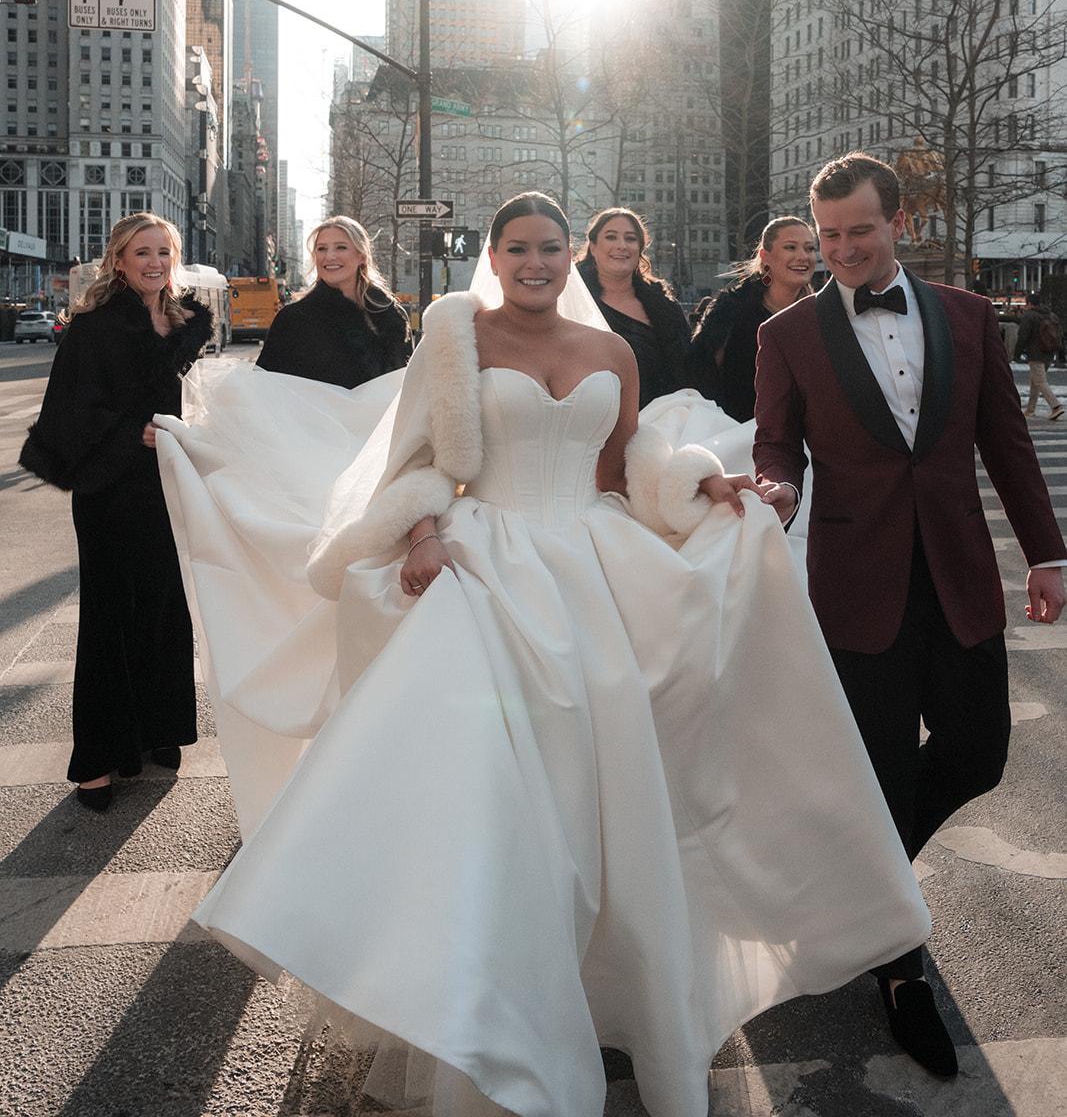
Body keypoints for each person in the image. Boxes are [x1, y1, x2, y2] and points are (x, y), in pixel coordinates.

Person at [164, 190, 929, 1117]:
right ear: (493, 254)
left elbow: (624, 466)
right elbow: (416, 463)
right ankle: (502, 1012)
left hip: (591, 566)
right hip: (483, 569)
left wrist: (694, 484)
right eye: (519, 248)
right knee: (501, 798)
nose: (537, 263)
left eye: (551, 249)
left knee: (607, 790)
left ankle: (606, 987)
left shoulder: (610, 351)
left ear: (571, 257)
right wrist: (419, 535)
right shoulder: (454, 337)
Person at [753, 153, 1066, 1080]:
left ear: (898, 226)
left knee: (979, 750)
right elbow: (777, 438)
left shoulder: (967, 316)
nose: (841, 250)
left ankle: (855, 874)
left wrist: (1047, 553)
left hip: (961, 573)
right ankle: (899, 971)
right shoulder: (787, 335)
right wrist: (777, 485)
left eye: (858, 231)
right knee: (884, 770)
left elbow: (1005, 442)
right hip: (856, 583)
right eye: (827, 235)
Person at [19, 213, 213, 810]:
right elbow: (73, 413)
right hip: (110, 490)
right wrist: (139, 435)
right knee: (110, 617)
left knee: (163, 607)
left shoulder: (184, 324)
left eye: (163, 252)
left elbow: (197, 403)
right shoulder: (94, 327)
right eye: (141, 252)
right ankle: (97, 761)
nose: (154, 262)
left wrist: (189, 434)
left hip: (167, 485)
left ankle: (160, 728)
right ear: (120, 261)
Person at [257, 216, 411, 388]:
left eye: (340, 247)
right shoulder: (292, 319)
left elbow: (407, 391)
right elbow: (265, 388)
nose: (329, 256)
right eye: (321, 248)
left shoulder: (392, 318)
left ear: (361, 256)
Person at [690, 216, 816, 422]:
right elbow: (702, 376)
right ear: (765, 256)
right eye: (790, 247)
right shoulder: (731, 310)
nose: (803, 256)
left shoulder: (821, 315)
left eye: (809, 248)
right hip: (740, 435)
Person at [575, 208, 691, 407]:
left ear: (640, 248)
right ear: (593, 247)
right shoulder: (575, 301)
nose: (622, 246)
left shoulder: (666, 308)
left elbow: (689, 370)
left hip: (664, 417)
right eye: (611, 237)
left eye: (630, 239)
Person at [1014, 291, 1064, 421]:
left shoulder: (1029, 316)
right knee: (1035, 381)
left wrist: (1017, 354)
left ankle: (1056, 406)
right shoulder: (1051, 315)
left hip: (1035, 353)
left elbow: (1023, 336)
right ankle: (1030, 409)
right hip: (1049, 352)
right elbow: (1060, 335)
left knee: (1040, 381)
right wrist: (1061, 355)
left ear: (1029, 303)